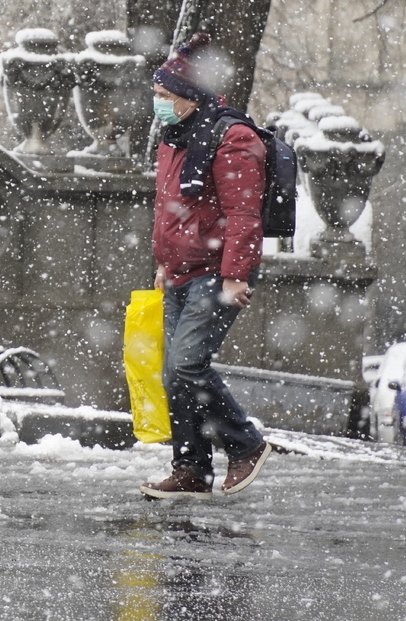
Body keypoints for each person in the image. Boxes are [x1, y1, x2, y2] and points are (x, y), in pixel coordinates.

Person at [140, 33, 272, 500]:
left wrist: (236, 275)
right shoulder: (175, 137)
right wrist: (163, 264)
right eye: (156, 93)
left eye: (164, 94)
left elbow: (244, 214)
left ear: (190, 96)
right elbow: (170, 209)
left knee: (188, 364)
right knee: (173, 374)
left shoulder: (233, 138)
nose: (157, 102)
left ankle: (246, 445)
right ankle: (191, 469)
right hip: (181, 271)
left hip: (217, 272)